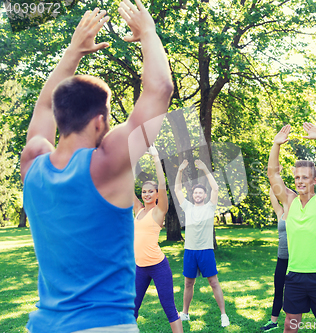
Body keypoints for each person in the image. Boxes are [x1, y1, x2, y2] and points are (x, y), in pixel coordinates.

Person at [20, 0, 173, 331]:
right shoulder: (105, 165)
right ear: (100, 122)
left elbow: (43, 108)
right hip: (104, 325)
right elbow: (160, 90)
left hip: (44, 325)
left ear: (60, 118)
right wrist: (148, 31)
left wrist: (73, 51)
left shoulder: (32, 163)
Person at [267, 123, 316, 333]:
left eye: (304, 177)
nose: (299, 181)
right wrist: (276, 145)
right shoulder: (289, 201)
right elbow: (273, 175)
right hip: (294, 275)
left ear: (314, 180)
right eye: (296, 177)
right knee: (289, 326)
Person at [260, 182, 316, 333]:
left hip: (298, 260)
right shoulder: (280, 212)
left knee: (310, 292)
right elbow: (273, 194)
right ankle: (273, 321)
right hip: (282, 258)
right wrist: (274, 181)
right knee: (278, 290)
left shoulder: (299, 213)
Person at [132, 146, 183, 333]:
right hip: (139, 267)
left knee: (169, 309)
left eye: (150, 192)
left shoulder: (159, 211)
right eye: (144, 191)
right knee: (131, 310)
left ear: (156, 195)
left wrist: (155, 158)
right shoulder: (138, 209)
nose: (146, 194)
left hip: (158, 266)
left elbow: (162, 184)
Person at [174, 159, 230, 327]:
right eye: (195, 193)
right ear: (193, 195)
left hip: (206, 251)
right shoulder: (188, 207)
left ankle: (223, 315)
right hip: (190, 251)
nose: (197, 195)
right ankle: (185, 313)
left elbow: (216, 188)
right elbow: (177, 189)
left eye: (200, 193)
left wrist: (205, 169)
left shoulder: (210, 208)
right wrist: (180, 171)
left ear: (204, 196)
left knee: (213, 282)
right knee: (188, 283)